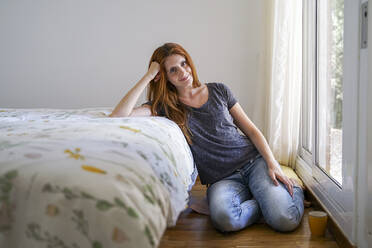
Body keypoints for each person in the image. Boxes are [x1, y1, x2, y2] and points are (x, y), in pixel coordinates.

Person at [110, 43, 304, 233]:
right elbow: (119, 115)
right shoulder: (164, 107)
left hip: (253, 163)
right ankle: (262, 201)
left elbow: (252, 131)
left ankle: (294, 191)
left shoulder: (219, 90)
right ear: (165, 77)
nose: (183, 72)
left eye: (184, 63)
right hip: (222, 179)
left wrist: (272, 163)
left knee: (285, 219)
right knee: (225, 220)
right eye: (173, 70)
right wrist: (149, 75)